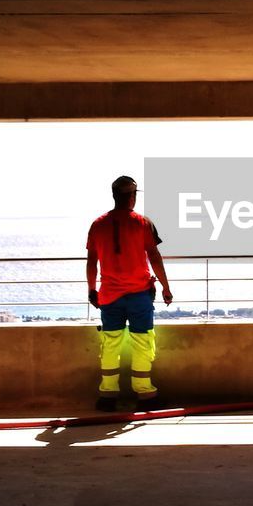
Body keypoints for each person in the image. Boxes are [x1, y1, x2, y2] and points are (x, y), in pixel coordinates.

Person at [86, 175, 174, 412]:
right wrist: (166, 287)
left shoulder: (97, 225)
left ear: (115, 196)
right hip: (139, 295)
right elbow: (154, 257)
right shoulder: (143, 223)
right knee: (143, 341)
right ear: (132, 197)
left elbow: (92, 261)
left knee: (111, 343)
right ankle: (144, 392)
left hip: (109, 296)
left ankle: (107, 394)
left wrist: (92, 289)